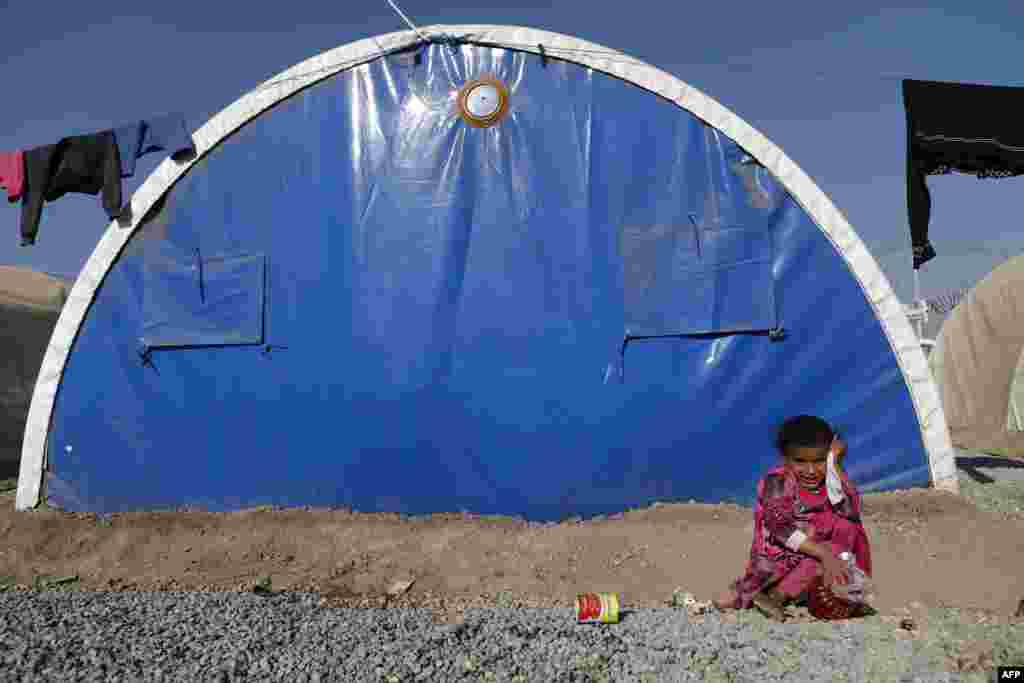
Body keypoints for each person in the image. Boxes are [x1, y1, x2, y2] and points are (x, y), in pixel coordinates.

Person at [713, 415, 873, 620]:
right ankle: (774, 596)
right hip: (779, 557)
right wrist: (824, 555)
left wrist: (836, 465)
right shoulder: (777, 483)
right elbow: (781, 529)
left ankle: (835, 596)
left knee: (847, 527)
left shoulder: (829, 482)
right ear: (785, 457)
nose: (811, 470)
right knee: (731, 597)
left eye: (820, 461)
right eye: (800, 461)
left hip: (814, 555)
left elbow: (850, 511)